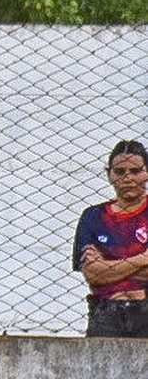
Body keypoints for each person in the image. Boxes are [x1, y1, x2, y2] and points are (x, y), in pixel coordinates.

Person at [73, 139, 148, 338]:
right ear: (109, 175)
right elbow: (94, 275)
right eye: (120, 171)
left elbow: (103, 271)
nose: (127, 178)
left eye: (135, 171)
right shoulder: (94, 217)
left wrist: (109, 265)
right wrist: (142, 259)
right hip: (105, 311)